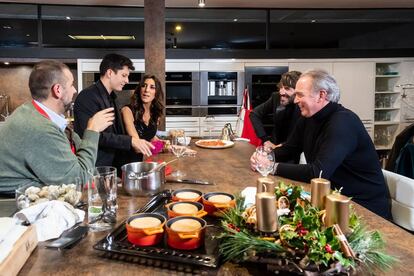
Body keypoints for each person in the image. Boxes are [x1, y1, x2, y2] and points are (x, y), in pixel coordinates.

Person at [250, 69, 391, 219]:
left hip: (364, 210)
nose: (296, 100)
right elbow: (289, 149)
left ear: (321, 95)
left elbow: (318, 173)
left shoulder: (343, 122)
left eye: (300, 95)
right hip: (334, 201)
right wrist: (264, 156)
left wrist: (271, 166)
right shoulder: (308, 118)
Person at [0, 60, 114, 195]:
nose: (75, 90)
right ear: (58, 90)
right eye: (71, 85)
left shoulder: (32, 111)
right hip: (13, 205)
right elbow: (77, 179)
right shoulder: (40, 128)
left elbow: (74, 152)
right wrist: (92, 131)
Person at [74, 53, 154, 171]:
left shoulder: (112, 96)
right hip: (97, 167)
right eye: (124, 75)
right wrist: (130, 141)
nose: (127, 80)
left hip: (113, 166)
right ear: (110, 73)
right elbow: (91, 135)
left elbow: (115, 132)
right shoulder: (87, 96)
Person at [250, 71, 302, 150]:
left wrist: (283, 146)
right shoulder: (276, 97)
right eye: (281, 87)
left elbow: (302, 133)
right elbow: (254, 114)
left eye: (287, 88)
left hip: (294, 149)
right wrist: (265, 140)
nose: (281, 92)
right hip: (274, 145)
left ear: (297, 91)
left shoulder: (303, 105)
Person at [120, 74, 164, 163]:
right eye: (144, 86)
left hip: (145, 160)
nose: (146, 90)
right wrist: (161, 147)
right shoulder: (127, 111)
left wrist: (172, 147)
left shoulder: (155, 113)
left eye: (152, 87)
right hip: (129, 164)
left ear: (156, 93)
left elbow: (150, 136)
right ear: (139, 89)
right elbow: (137, 146)